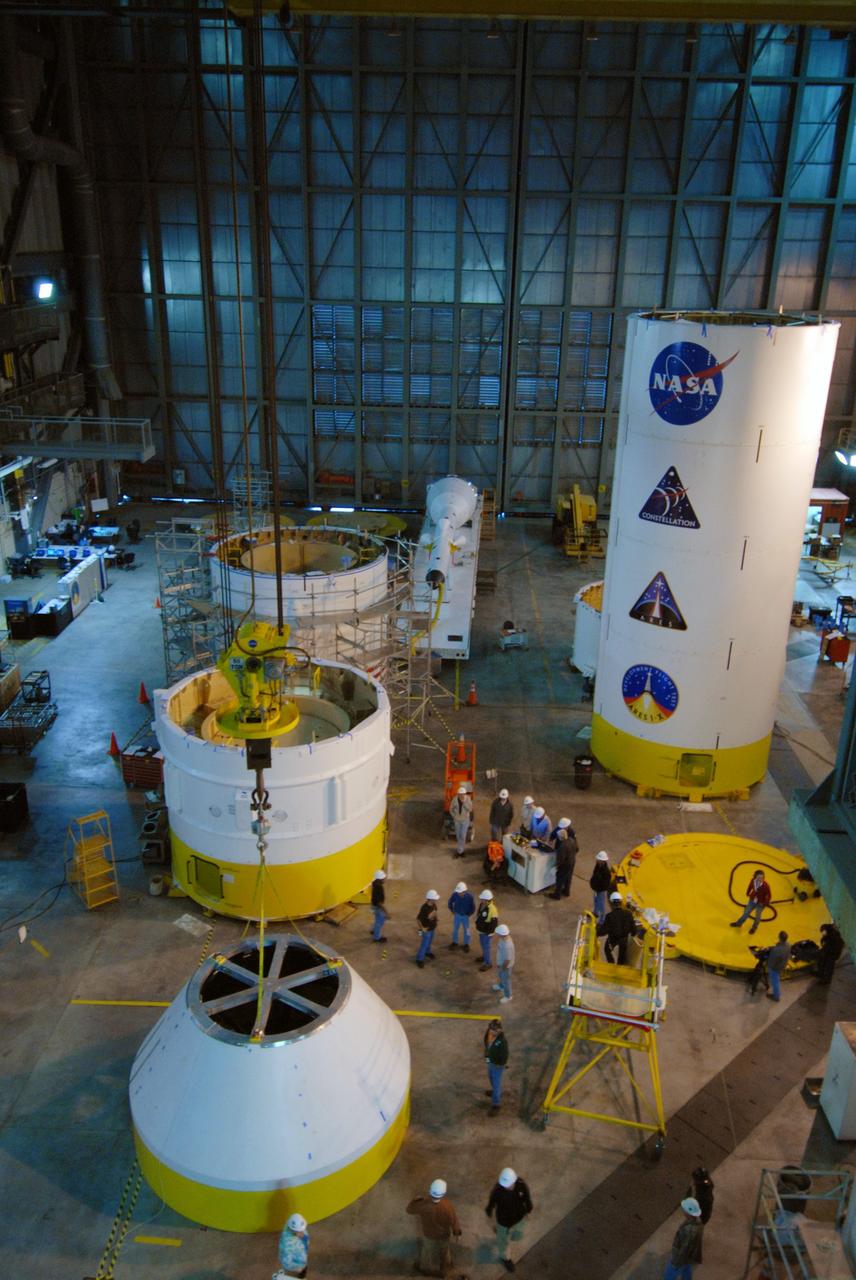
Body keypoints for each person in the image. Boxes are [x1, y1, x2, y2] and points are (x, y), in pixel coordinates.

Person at [406, 1178, 462, 1279]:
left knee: (427, 1252)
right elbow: (454, 1220)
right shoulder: (448, 1206)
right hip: (444, 1236)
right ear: (443, 1193)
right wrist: (456, 1232)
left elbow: (409, 1210)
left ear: (430, 1190)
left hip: (429, 1235)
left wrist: (414, 1201)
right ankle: (445, 1268)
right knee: (445, 1251)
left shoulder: (422, 1204)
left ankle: (425, 1268)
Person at [485, 1166, 533, 1274]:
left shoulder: (521, 1185)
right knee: (503, 1242)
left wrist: (529, 1208)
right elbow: (491, 1203)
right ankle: (505, 1258)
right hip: (504, 1221)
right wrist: (489, 1211)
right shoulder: (497, 1190)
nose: (506, 1187)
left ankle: (502, 1232)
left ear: (514, 1181)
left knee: (517, 1235)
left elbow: (526, 1198)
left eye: (509, 1185)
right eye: (504, 1186)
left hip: (519, 1216)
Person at [663, 1197, 704, 1280]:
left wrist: (676, 1263)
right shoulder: (698, 1223)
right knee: (686, 1266)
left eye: (684, 1209)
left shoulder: (689, 1230)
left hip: (680, 1256)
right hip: (689, 1256)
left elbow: (684, 1249)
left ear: (688, 1213)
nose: (682, 1210)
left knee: (670, 1274)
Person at [597, 891, 639, 964]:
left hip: (613, 939)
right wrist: (633, 933)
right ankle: (620, 965)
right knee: (622, 955)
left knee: (607, 949)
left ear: (611, 903)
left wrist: (597, 931)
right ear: (621, 902)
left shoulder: (609, 916)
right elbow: (634, 931)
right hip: (624, 939)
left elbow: (603, 931)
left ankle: (611, 963)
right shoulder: (628, 914)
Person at [730, 868, 772, 934]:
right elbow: (750, 886)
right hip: (752, 900)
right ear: (755, 877)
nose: (761, 879)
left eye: (762, 877)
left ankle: (754, 927)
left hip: (760, 903)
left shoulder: (766, 886)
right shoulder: (753, 881)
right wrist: (748, 892)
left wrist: (764, 903)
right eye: (759, 877)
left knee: (757, 917)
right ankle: (739, 923)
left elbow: (769, 895)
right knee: (746, 913)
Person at [483, 1017, 508, 1114]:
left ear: (499, 1030)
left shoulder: (502, 1042)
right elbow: (487, 1044)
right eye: (491, 1028)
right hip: (491, 1062)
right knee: (490, 1077)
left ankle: (496, 1104)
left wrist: (499, 1064)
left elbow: (504, 1056)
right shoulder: (489, 1033)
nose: (491, 1031)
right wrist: (487, 1059)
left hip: (497, 1065)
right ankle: (494, 1092)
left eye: (494, 1029)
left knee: (496, 1083)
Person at [276, 1212, 309, 1279]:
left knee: (301, 1262)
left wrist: (303, 1237)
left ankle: (301, 1270)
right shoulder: (287, 1240)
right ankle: (300, 1271)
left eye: (301, 1230)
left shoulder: (292, 1227)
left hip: (297, 1251)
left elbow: (305, 1240)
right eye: (298, 1231)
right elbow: (286, 1252)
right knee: (294, 1264)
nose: (301, 1232)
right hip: (291, 1256)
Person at [549, 826, 578, 900]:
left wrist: (557, 865)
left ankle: (557, 895)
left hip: (565, 865)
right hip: (572, 861)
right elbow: (577, 849)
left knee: (560, 879)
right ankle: (566, 891)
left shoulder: (562, 846)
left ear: (560, 837)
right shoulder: (572, 840)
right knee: (568, 877)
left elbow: (560, 859)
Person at [447, 881, 475, 951]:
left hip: (465, 916)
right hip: (457, 915)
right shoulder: (455, 895)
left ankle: (466, 944)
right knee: (455, 929)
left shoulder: (470, 897)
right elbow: (450, 902)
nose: (459, 893)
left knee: (467, 930)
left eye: (460, 892)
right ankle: (455, 942)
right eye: (458, 892)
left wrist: (469, 914)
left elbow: (473, 907)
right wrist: (452, 910)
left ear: (464, 891)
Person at [475, 888, 498, 970]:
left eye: (482, 899)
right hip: (481, 930)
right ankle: (485, 957)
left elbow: (494, 923)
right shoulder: (482, 905)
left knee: (486, 947)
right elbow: (479, 914)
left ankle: (488, 963)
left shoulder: (492, 909)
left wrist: (489, 932)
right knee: (483, 945)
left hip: (486, 932)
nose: (481, 900)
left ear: (487, 900)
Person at [416, 890, 440, 968]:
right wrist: (422, 928)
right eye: (435, 898)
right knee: (424, 944)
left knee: (429, 942)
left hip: (432, 928)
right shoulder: (424, 908)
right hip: (426, 930)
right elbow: (418, 919)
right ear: (431, 899)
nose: (436, 900)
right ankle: (419, 959)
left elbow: (435, 911)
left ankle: (427, 952)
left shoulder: (434, 904)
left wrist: (436, 918)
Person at [492, 923, 514, 1003]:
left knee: (506, 981)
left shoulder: (507, 946)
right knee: (501, 976)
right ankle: (501, 986)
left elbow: (507, 960)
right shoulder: (503, 938)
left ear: (502, 934)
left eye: (498, 933)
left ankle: (508, 996)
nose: (497, 934)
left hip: (505, 966)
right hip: (501, 963)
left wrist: (503, 968)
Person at [766, 929, 790, 1002]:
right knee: (776, 980)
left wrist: (768, 966)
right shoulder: (788, 945)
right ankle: (776, 994)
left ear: (779, 937)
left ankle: (776, 996)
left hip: (775, 968)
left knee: (775, 981)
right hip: (782, 965)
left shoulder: (776, 950)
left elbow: (772, 961)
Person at [450, 785, 473, 859]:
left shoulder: (468, 799)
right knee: (458, 835)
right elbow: (451, 809)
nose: (461, 795)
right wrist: (454, 816)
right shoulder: (455, 799)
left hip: (465, 820)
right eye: (460, 794)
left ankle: (460, 851)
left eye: (463, 794)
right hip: (457, 821)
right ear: (458, 794)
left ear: (465, 794)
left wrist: (464, 803)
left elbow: (470, 809)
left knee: (463, 835)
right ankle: (460, 851)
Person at [590, 850, 612, 924]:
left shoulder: (606, 872)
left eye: (599, 860)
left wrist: (599, 889)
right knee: (596, 900)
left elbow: (606, 884)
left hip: (600, 890)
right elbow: (594, 874)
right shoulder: (597, 866)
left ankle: (602, 920)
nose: (597, 860)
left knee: (601, 904)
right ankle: (595, 913)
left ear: (602, 861)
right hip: (596, 888)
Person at [370, 869, 387, 943]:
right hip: (378, 907)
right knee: (380, 922)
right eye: (383, 878)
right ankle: (377, 938)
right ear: (380, 879)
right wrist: (386, 912)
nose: (385, 879)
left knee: (377, 920)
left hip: (374, 906)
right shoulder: (378, 888)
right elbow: (379, 903)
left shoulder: (375, 883)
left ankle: (374, 930)